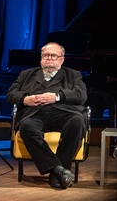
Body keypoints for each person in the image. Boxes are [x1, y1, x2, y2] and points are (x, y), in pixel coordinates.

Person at [5, 42, 87, 189]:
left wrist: (56, 97)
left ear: (61, 59)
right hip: (35, 113)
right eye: (45, 55)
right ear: (41, 58)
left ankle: (58, 172)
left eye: (53, 55)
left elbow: (81, 95)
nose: (49, 58)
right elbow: (11, 95)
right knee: (26, 126)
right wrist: (24, 99)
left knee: (77, 121)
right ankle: (59, 170)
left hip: (65, 113)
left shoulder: (73, 74)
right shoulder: (27, 74)